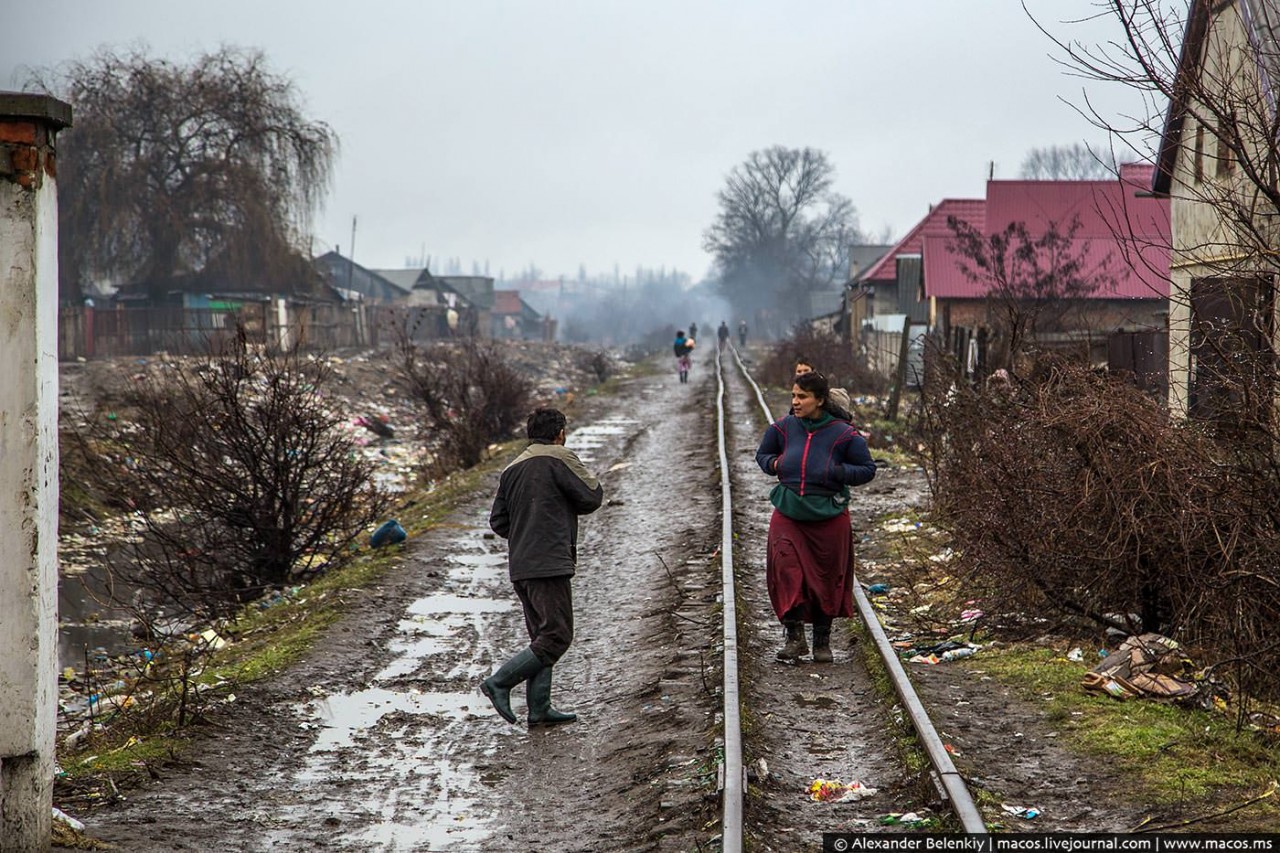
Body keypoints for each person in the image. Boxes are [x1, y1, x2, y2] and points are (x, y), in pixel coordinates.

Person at [483, 408, 604, 726]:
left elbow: (498, 521)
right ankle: (499, 683)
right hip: (548, 562)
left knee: (541, 635)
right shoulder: (559, 457)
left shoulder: (512, 467)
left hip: (521, 563)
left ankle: (539, 708)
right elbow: (592, 497)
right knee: (557, 636)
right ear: (560, 432)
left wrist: (527, 530)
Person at [755, 371, 876, 664]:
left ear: (819, 400)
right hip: (789, 514)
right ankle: (794, 638)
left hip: (829, 516)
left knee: (826, 577)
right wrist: (776, 463)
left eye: (802, 397)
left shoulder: (844, 434)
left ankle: (822, 640)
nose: (795, 402)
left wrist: (837, 471)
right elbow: (763, 455)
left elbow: (867, 469)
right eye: (794, 396)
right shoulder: (783, 429)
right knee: (786, 569)